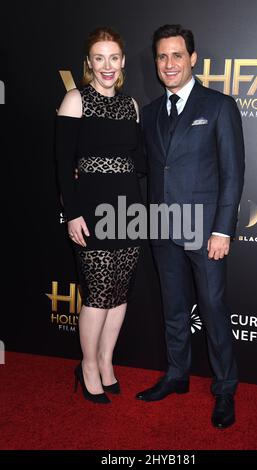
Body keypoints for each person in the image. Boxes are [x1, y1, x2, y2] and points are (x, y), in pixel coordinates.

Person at [136, 24, 245, 428]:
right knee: (174, 309)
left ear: (193, 59)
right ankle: (177, 375)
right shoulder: (149, 113)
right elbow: (146, 167)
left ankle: (225, 388)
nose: (169, 63)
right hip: (162, 229)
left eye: (177, 55)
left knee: (214, 309)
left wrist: (223, 230)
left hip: (206, 232)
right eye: (162, 56)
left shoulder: (219, 106)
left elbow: (233, 174)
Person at [56, 27, 143, 404]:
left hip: (129, 207)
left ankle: (107, 362)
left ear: (122, 61)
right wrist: (72, 214)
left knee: (119, 292)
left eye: (113, 58)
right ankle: (87, 365)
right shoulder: (76, 100)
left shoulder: (132, 106)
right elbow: (61, 165)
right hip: (90, 208)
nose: (106, 66)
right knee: (96, 293)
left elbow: (138, 161)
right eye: (98, 58)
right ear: (89, 63)